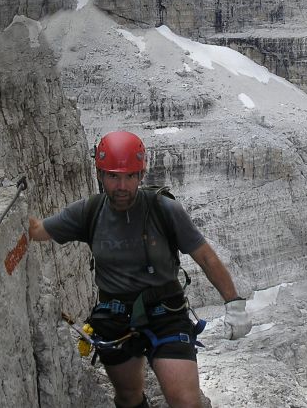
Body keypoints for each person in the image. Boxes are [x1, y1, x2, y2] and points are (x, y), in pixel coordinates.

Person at [29, 130, 251, 408]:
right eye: (113, 176)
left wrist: (234, 304)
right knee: (128, 398)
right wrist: (13, 215)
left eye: (130, 176)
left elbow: (205, 257)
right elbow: (39, 231)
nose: (121, 185)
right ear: (100, 175)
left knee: (186, 402)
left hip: (165, 312)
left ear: (141, 175)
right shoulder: (88, 212)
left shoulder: (165, 209)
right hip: (115, 316)